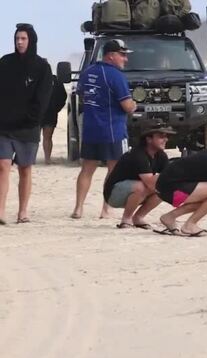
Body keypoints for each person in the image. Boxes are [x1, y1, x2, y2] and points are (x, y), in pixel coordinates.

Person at [71, 39, 136, 219]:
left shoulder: (88, 72)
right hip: (113, 130)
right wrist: (134, 105)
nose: (125, 59)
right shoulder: (116, 76)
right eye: (122, 55)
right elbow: (127, 106)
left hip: (91, 130)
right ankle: (106, 209)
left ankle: (78, 208)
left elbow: (82, 95)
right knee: (114, 171)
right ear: (111, 55)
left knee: (87, 169)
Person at [0, 23, 52, 225]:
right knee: (3, 166)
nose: (19, 42)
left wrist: (31, 119)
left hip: (28, 127)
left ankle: (23, 212)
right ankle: (1, 211)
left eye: (23, 39)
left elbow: (43, 99)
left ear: (31, 41)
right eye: (17, 39)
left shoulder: (42, 67)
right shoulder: (5, 62)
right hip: (3, 126)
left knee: (25, 169)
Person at [103, 120, 174, 229]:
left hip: (136, 192)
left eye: (166, 136)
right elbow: (151, 183)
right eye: (161, 136)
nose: (166, 139)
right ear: (149, 139)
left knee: (163, 190)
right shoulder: (138, 155)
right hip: (114, 194)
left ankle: (138, 217)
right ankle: (126, 219)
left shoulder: (161, 155)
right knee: (142, 186)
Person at [41, 74, 67, 164]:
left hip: (36, 112)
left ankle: (31, 159)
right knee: (47, 137)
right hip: (50, 112)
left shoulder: (31, 77)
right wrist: (56, 108)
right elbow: (63, 96)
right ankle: (47, 159)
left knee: (34, 138)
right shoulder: (55, 80)